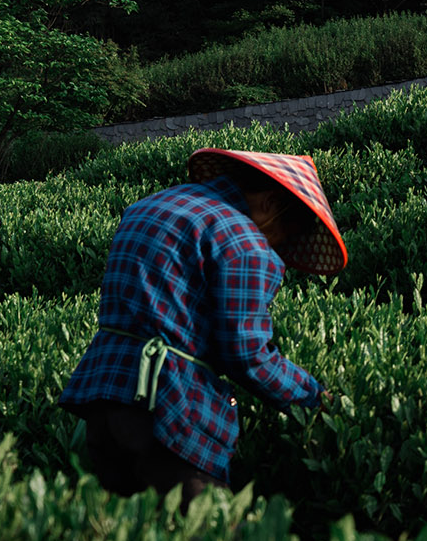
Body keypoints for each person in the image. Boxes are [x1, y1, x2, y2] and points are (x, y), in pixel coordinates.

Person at [59, 147, 348, 501]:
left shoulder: (148, 207)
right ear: (272, 203)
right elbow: (247, 355)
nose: (283, 243)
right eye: (291, 228)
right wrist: (315, 399)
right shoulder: (244, 242)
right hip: (168, 412)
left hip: (102, 401)